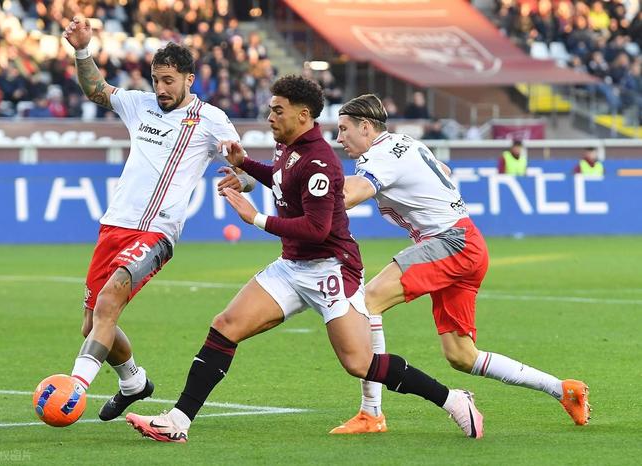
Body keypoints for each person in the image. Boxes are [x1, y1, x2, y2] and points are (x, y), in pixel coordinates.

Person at [125, 76, 484, 443]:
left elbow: (315, 229)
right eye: (270, 110)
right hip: (292, 266)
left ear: (303, 115)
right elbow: (282, 178)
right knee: (226, 325)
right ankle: (178, 421)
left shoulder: (320, 162)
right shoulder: (287, 145)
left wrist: (255, 218)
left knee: (360, 363)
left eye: (278, 111)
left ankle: (452, 399)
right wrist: (245, 163)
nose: (270, 117)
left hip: (332, 268)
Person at [330, 94, 590, 434]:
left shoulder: (379, 156)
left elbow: (350, 195)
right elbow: (445, 170)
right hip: (467, 243)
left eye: (343, 129)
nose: (339, 138)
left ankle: (371, 413)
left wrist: (305, 190)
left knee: (367, 301)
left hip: (449, 242)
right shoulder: (404, 142)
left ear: (365, 127)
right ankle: (562, 390)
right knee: (461, 355)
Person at [61, 16, 253, 422]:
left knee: (109, 301)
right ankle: (134, 382)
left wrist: (244, 178)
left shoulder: (211, 118)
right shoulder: (140, 104)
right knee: (92, 324)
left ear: (189, 79)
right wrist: (82, 49)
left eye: (168, 80)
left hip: (157, 232)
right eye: (155, 80)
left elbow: (247, 170)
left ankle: (74, 388)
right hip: (115, 225)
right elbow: (96, 89)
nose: (161, 88)